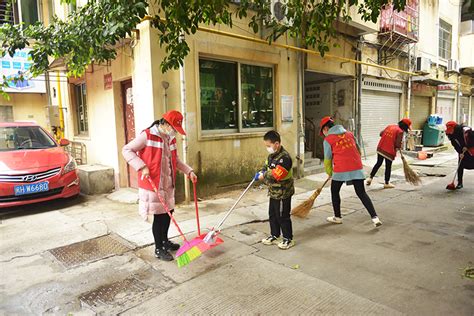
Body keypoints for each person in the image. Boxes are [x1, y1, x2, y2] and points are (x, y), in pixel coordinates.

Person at [122, 110, 197, 261]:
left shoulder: (170, 139)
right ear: (165, 124)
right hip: (153, 184)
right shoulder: (148, 135)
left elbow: (176, 160)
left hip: (168, 184)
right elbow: (127, 150)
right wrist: (142, 166)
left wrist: (189, 171)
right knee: (159, 217)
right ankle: (158, 248)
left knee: (168, 213)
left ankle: (165, 241)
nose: (174, 132)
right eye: (173, 129)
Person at [320, 116, 382, 227]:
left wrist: (329, 172)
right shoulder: (349, 134)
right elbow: (358, 150)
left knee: (335, 191)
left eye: (323, 131)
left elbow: (327, 159)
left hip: (341, 169)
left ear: (325, 128)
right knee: (361, 193)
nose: (324, 133)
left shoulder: (328, 139)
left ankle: (337, 217)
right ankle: (375, 217)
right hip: (356, 167)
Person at [255, 130, 295, 250]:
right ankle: (275, 235)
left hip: (283, 192)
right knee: (272, 215)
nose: (268, 148)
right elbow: (266, 166)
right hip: (273, 192)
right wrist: (261, 171)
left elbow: (278, 174)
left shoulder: (285, 158)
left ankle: (288, 238)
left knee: (283, 216)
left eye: (269, 145)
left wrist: (264, 176)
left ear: (276, 144)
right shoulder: (271, 156)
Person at [367, 118, 412, 188]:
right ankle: (386, 183)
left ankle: (370, 178)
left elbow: (381, 134)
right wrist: (400, 145)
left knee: (378, 163)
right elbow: (397, 144)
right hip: (389, 151)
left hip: (381, 148)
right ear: (405, 126)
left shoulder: (390, 126)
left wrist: (388, 137)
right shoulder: (400, 131)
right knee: (388, 166)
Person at [445, 121, 474, 189]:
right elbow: (455, 145)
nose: (450, 132)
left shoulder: (466, 131)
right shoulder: (452, 136)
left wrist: (467, 146)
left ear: (455, 128)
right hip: (463, 151)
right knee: (460, 165)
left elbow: (473, 140)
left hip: (472, 149)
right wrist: (460, 152)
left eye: (451, 130)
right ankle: (460, 183)